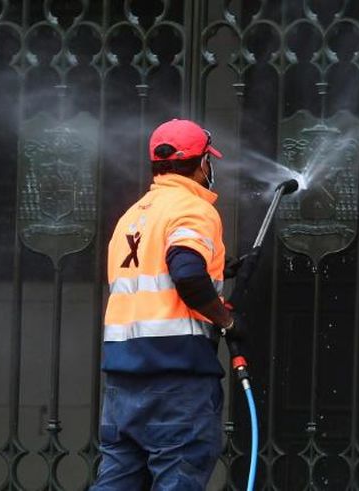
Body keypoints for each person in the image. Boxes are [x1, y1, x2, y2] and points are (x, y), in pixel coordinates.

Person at [91, 119, 246, 490]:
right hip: (176, 383)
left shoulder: (132, 217)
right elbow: (188, 275)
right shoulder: (194, 209)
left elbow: (160, 268)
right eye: (209, 161)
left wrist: (220, 267)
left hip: (123, 386)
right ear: (201, 164)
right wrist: (227, 321)